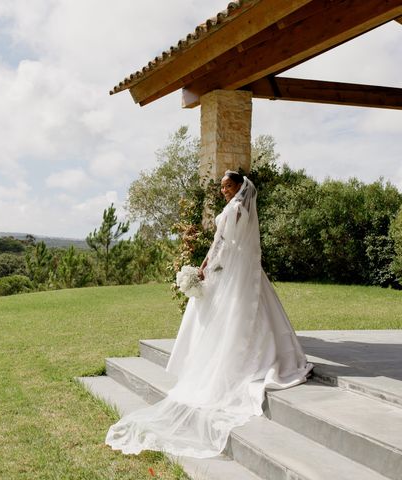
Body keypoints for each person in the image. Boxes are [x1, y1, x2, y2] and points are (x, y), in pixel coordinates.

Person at [105, 171, 313, 458]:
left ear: (240, 187)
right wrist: (206, 264)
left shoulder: (236, 209)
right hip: (231, 267)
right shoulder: (239, 208)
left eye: (227, 186)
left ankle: (240, 361)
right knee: (238, 313)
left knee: (235, 314)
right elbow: (224, 242)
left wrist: (208, 264)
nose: (223, 191)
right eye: (222, 187)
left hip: (230, 266)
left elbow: (224, 243)